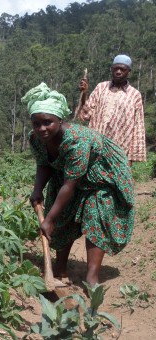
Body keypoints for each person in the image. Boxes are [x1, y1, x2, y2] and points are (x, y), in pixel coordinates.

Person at [22, 82, 135, 287]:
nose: (42, 129)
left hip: (100, 173)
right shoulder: (36, 139)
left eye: (48, 122)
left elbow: (70, 185)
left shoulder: (76, 140)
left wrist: (48, 219)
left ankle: (92, 276)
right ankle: (59, 268)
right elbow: (44, 163)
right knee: (63, 218)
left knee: (95, 216)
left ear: (60, 120)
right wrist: (37, 190)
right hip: (66, 173)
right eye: (36, 124)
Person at [77, 54, 146, 166]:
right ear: (111, 69)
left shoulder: (135, 95)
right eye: (115, 68)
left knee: (116, 182)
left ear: (129, 71)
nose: (118, 72)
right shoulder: (101, 87)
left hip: (120, 151)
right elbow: (86, 114)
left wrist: (130, 159)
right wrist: (84, 94)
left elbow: (138, 127)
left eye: (122, 69)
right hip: (96, 147)